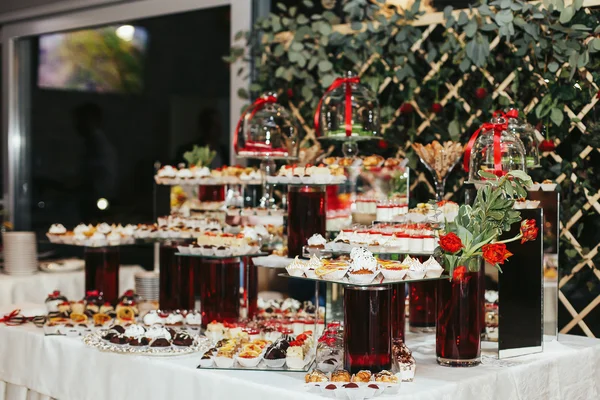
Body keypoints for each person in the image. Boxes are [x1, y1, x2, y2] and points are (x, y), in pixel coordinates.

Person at [72, 103, 118, 221]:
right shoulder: (89, 143)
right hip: (91, 197)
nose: (77, 124)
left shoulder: (99, 144)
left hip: (97, 199)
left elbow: (97, 173)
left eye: (82, 120)